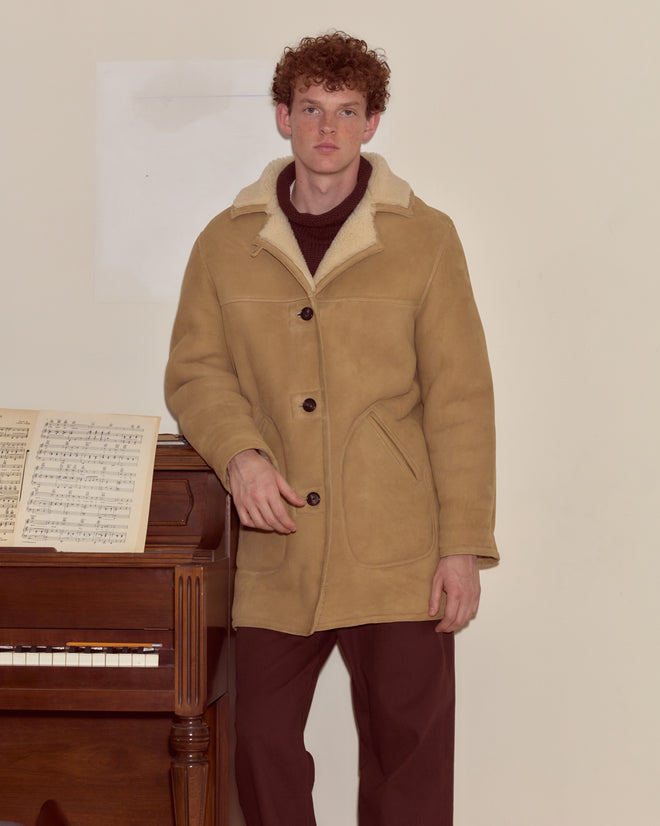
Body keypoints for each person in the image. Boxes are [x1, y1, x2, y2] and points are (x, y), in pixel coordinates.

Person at [165, 30, 498, 826]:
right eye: (310, 108)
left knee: (407, 758)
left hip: (399, 547)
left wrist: (462, 547)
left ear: (372, 123)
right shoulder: (224, 243)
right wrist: (240, 455)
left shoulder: (425, 238)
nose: (327, 129)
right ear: (282, 115)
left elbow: (461, 398)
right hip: (278, 546)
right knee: (261, 749)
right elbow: (194, 372)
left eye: (346, 111)